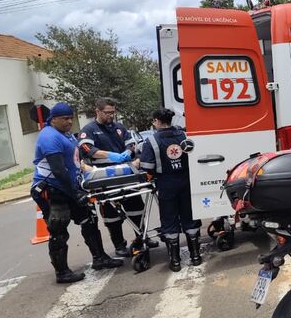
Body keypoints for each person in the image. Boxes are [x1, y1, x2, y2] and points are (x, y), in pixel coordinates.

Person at [31, 103, 123, 284]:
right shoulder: (49, 137)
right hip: (52, 189)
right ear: (53, 119)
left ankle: (100, 258)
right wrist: (75, 192)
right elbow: (58, 170)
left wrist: (92, 174)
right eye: (65, 118)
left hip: (70, 186)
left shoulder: (66, 135)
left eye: (71, 118)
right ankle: (62, 272)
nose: (69, 121)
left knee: (89, 220)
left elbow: (74, 162)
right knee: (58, 230)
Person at [78, 97, 158, 257]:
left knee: (137, 208)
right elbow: (87, 148)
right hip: (104, 177)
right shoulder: (89, 130)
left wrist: (128, 152)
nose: (111, 116)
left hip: (125, 173)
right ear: (98, 111)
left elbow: (131, 143)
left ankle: (142, 238)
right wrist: (111, 155)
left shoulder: (119, 127)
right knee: (111, 215)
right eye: (108, 113)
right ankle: (119, 245)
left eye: (113, 112)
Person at [139, 108, 201, 271]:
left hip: (166, 184)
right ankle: (196, 257)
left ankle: (175, 261)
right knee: (190, 217)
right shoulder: (185, 136)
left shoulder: (151, 141)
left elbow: (148, 168)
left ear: (156, 121)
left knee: (169, 220)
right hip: (187, 182)